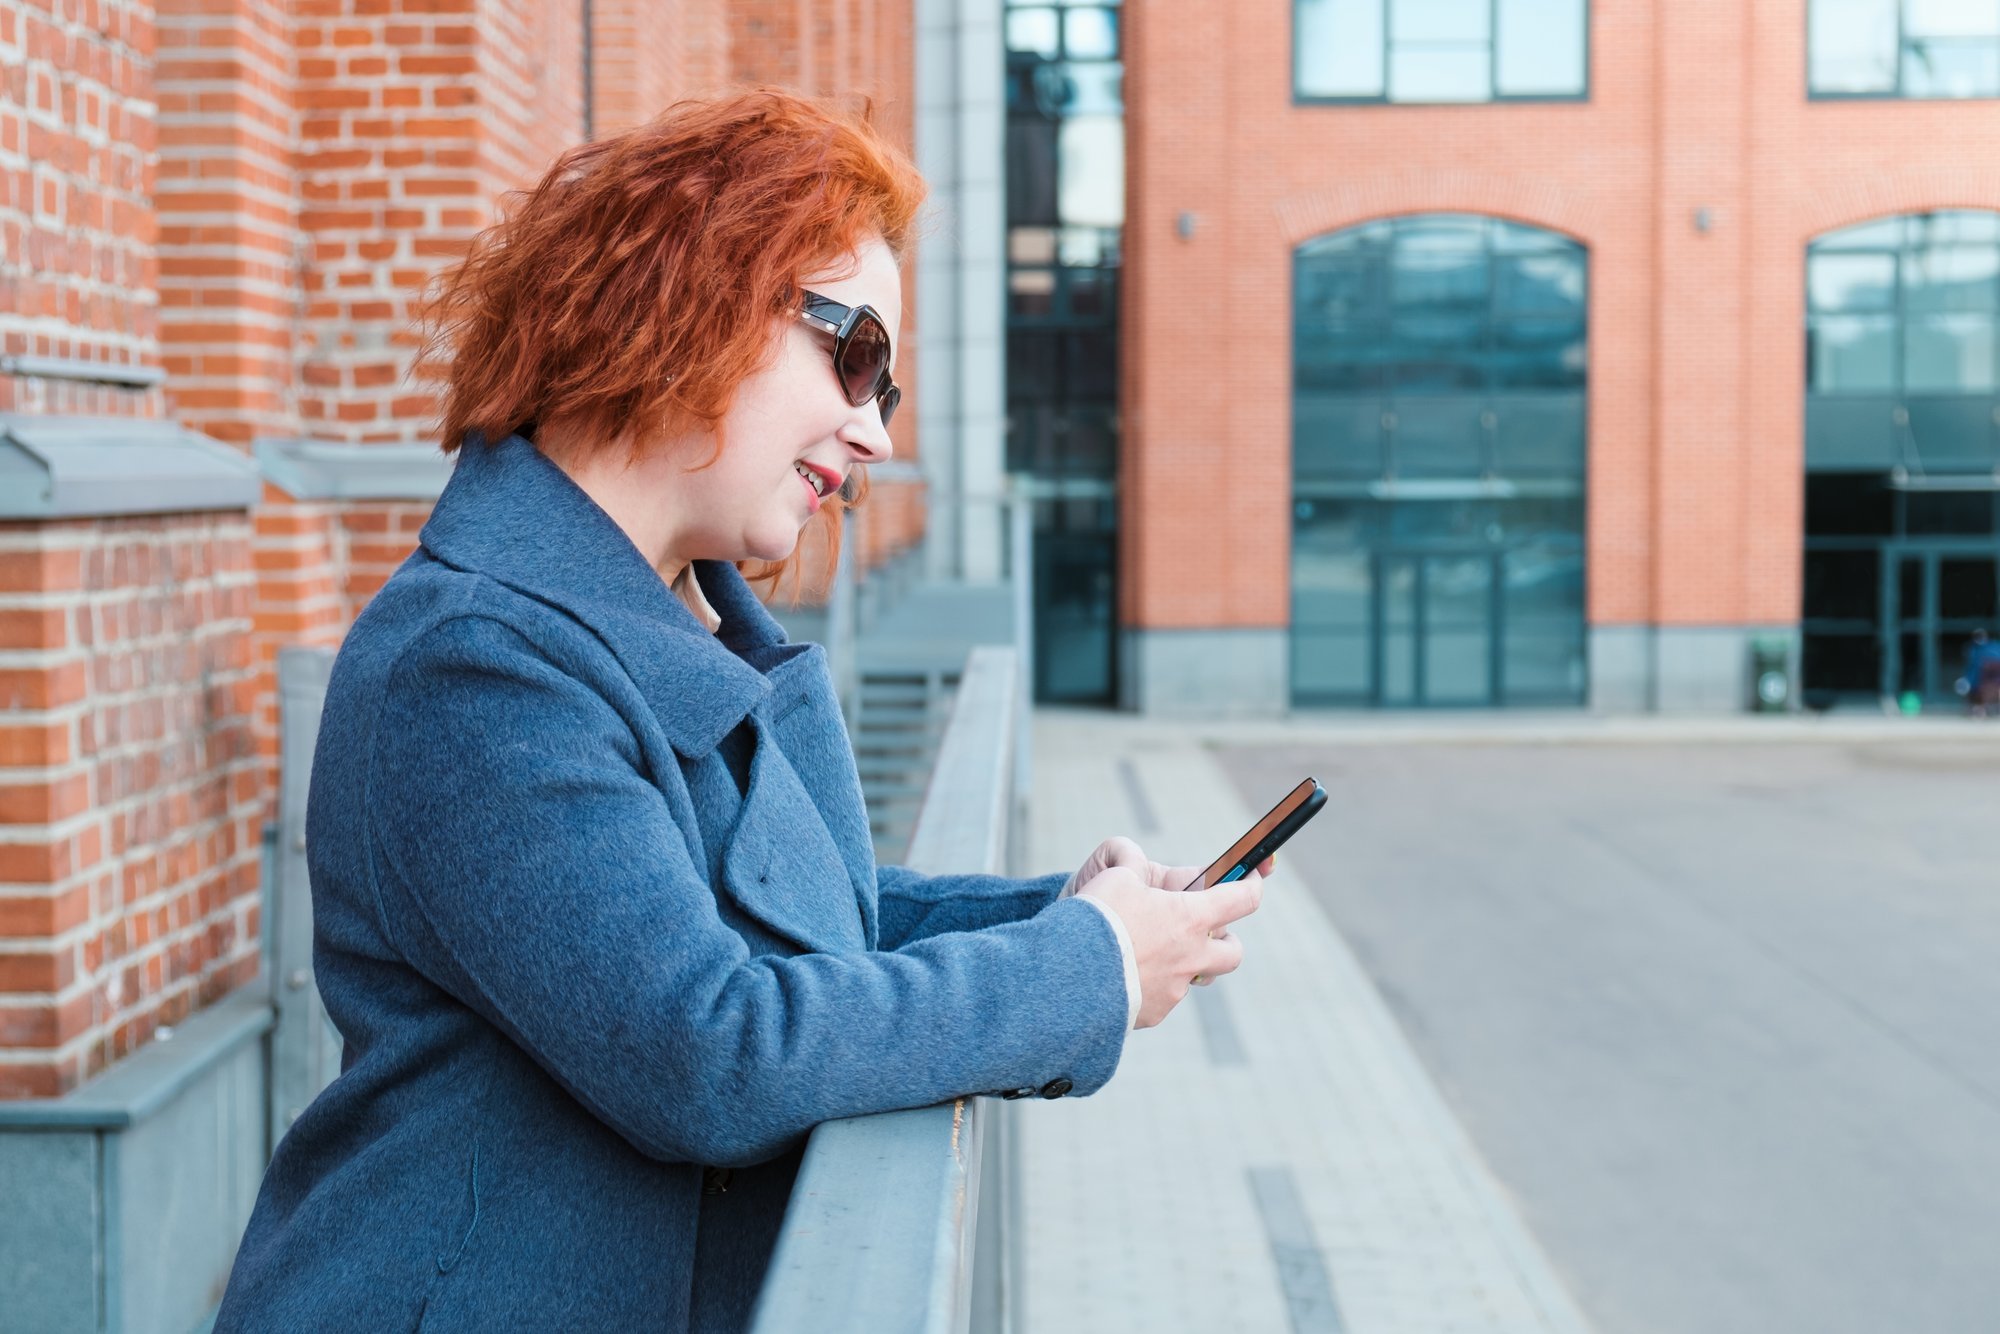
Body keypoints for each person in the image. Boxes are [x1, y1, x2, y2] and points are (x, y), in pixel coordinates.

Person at [212, 89, 1266, 1332]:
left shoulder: (669, 616)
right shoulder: (476, 663)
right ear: (690, 296)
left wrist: (1063, 910)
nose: (872, 432)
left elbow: (799, 917)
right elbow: (707, 1048)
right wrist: (1080, 967)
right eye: (858, 355)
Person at [1963, 628, 2000, 717]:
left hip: (1993, 680)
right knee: (1967, 688)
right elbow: (1972, 670)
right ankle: (1977, 709)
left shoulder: (1994, 647)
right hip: (1979, 681)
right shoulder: (1973, 650)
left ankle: (1986, 709)